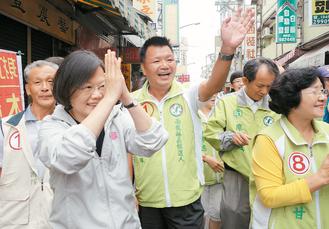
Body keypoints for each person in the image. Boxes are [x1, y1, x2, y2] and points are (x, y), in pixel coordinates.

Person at [131, 8, 254, 229]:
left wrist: (227, 49)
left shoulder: (188, 94)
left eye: (169, 59)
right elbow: (127, 150)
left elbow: (214, 85)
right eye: (157, 60)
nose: (165, 65)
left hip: (186, 201)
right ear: (144, 68)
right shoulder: (131, 102)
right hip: (147, 201)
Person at [37, 50, 168, 229]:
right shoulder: (51, 126)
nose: (97, 95)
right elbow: (68, 158)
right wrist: (109, 99)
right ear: (67, 88)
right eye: (87, 87)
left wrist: (126, 97)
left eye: (102, 86)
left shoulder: (116, 118)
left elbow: (154, 141)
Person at [204, 57, 280, 229]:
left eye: (269, 86)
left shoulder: (275, 105)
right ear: (245, 80)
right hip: (237, 174)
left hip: (270, 175)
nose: (264, 91)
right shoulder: (226, 102)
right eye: (260, 86)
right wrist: (230, 138)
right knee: (234, 218)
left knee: (268, 219)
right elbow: (211, 133)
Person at [251, 67, 329, 228]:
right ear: (291, 96)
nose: (323, 97)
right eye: (314, 92)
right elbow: (269, 195)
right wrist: (320, 178)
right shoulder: (269, 139)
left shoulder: (326, 132)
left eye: (323, 91)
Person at [0, 60, 58, 228]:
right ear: (27, 89)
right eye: (38, 82)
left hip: (58, 220)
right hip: (14, 221)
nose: (45, 88)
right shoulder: (6, 128)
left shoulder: (72, 128)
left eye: (51, 82)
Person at [199, 94, 224, 229]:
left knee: (217, 213)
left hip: (220, 174)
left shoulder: (221, 114)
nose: (214, 95)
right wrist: (206, 158)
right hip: (199, 177)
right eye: (210, 92)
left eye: (217, 92)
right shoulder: (194, 114)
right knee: (200, 214)